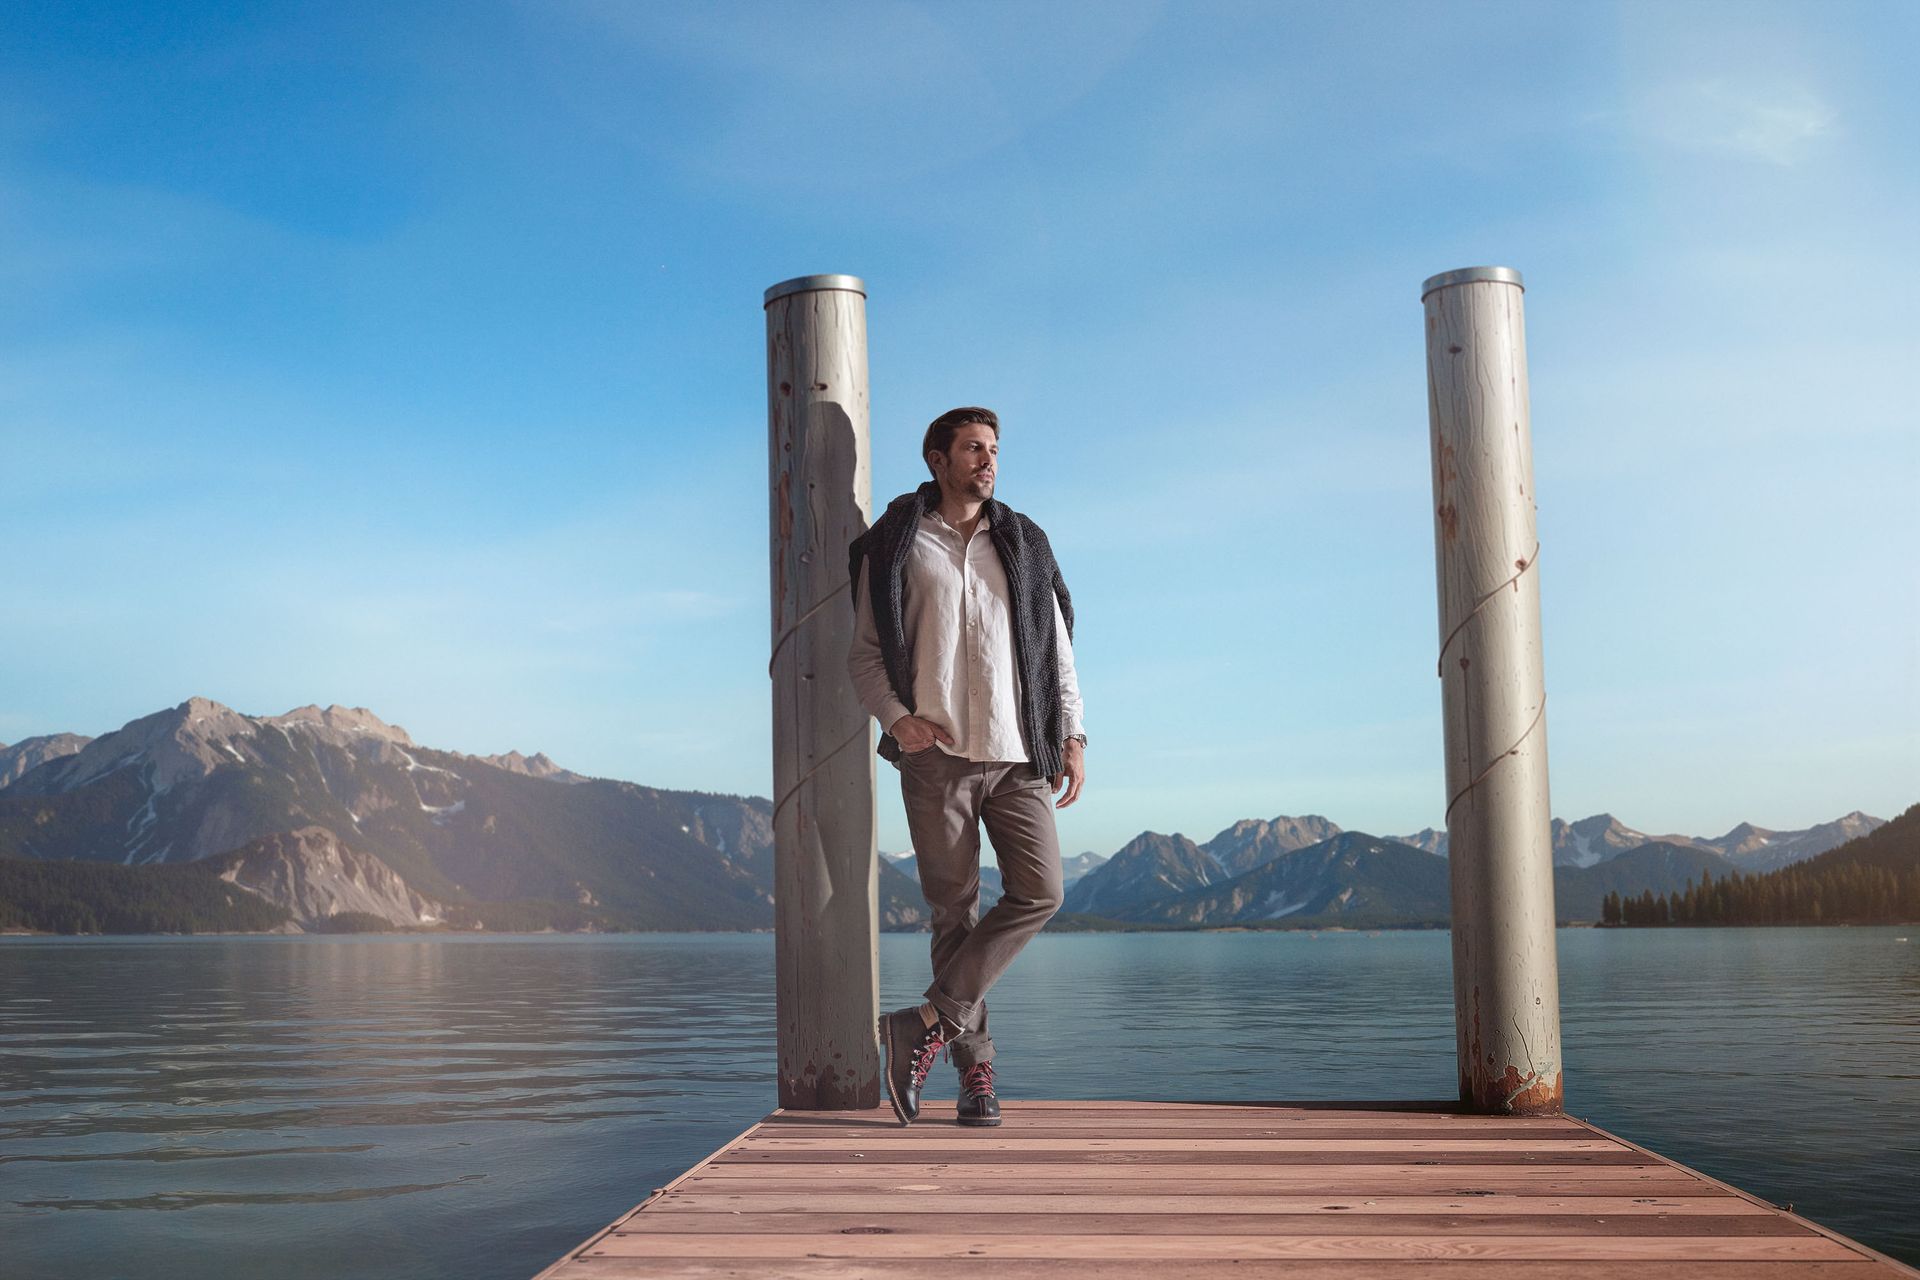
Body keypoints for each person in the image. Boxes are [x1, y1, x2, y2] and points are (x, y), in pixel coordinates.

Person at [845, 405, 1087, 1127]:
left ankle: (924, 1021)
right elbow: (863, 655)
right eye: (974, 449)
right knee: (953, 914)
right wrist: (899, 720)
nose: (988, 460)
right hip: (937, 757)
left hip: (1019, 755)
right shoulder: (894, 544)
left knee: (1042, 890)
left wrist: (1072, 734)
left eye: (995, 450)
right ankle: (976, 1076)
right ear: (937, 459)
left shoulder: (1024, 542)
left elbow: (1059, 652)